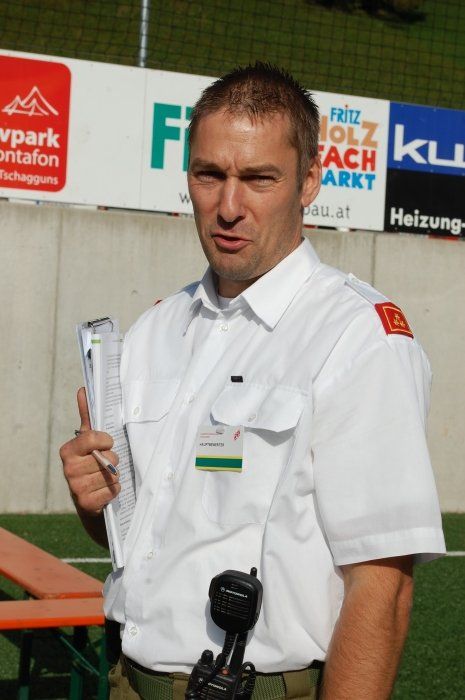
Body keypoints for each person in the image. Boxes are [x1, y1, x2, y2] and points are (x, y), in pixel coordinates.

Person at [60, 63, 445, 700]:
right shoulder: (155, 330)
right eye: (209, 174)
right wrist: (94, 501)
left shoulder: (357, 337)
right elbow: (136, 540)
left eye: (259, 178)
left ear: (310, 180)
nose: (229, 207)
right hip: (127, 680)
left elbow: (384, 586)